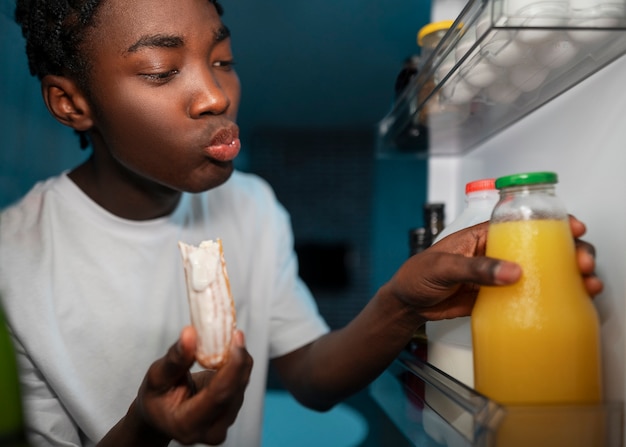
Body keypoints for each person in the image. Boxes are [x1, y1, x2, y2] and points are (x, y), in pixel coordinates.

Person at [0, 0, 603, 446]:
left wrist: (401, 303)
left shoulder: (253, 205)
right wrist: (144, 430)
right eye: (161, 70)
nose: (216, 95)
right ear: (72, 104)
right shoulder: (13, 264)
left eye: (222, 59)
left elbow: (311, 376)